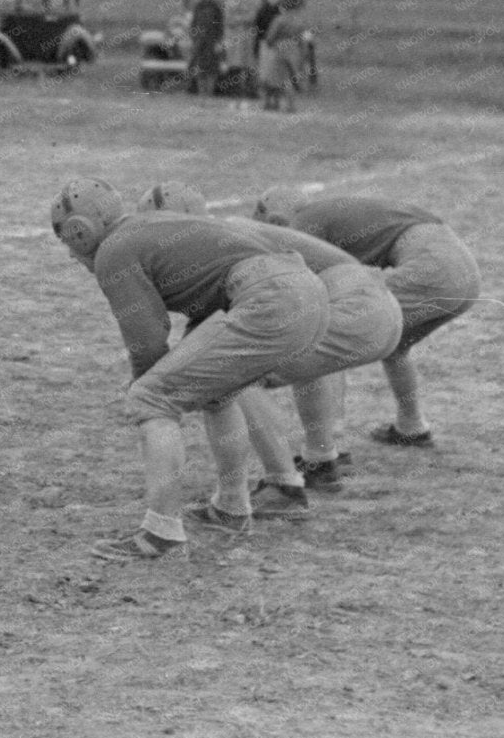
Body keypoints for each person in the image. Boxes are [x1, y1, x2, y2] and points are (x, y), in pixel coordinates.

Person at [51, 178, 329, 563]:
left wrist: (147, 390)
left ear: (80, 229)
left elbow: (147, 339)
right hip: (304, 293)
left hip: (270, 297)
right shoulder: (149, 228)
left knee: (149, 398)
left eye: (66, 237)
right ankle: (232, 508)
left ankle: (161, 534)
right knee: (218, 393)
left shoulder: (114, 249)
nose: (69, 251)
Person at [140, 182, 403, 504]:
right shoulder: (227, 232)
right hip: (378, 308)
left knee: (231, 373)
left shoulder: (219, 239)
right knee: (295, 352)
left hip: (354, 306)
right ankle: (322, 460)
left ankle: (283, 485)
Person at [256, 187, 481, 449]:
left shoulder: (303, 221)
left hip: (432, 269)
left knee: (320, 335)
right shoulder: (334, 211)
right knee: (396, 345)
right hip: (465, 273)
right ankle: (411, 426)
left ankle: (325, 451)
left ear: (275, 220)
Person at [257, 0, 306, 113]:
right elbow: (302, 39)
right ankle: (290, 104)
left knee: (276, 78)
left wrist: (270, 44)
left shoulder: (279, 19)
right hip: (294, 49)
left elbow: (270, 36)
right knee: (290, 77)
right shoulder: (298, 21)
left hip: (281, 48)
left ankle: (274, 103)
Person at [186, 0, 225, 96]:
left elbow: (220, 26)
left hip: (212, 42)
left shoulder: (216, 8)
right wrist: (194, 39)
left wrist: (219, 41)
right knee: (199, 67)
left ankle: (210, 92)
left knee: (212, 69)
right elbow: (193, 24)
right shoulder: (199, 7)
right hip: (199, 42)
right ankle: (201, 91)